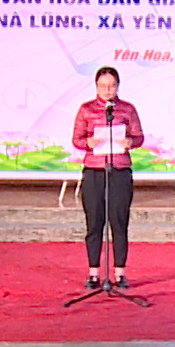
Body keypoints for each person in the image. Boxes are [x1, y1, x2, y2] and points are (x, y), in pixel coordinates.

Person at [71, 66, 143, 288]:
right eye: (102, 86)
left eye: (111, 86)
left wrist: (130, 142)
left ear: (117, 86)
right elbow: (77, 139)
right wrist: (88, 143)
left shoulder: (127, 109)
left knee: (119, 223)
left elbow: (139, 136)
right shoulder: (86, 109)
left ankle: (120, 273)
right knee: (94, 223)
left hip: (119, 171)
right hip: (94, 171)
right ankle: (94, 273)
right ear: (96, 87)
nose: (107, 90)